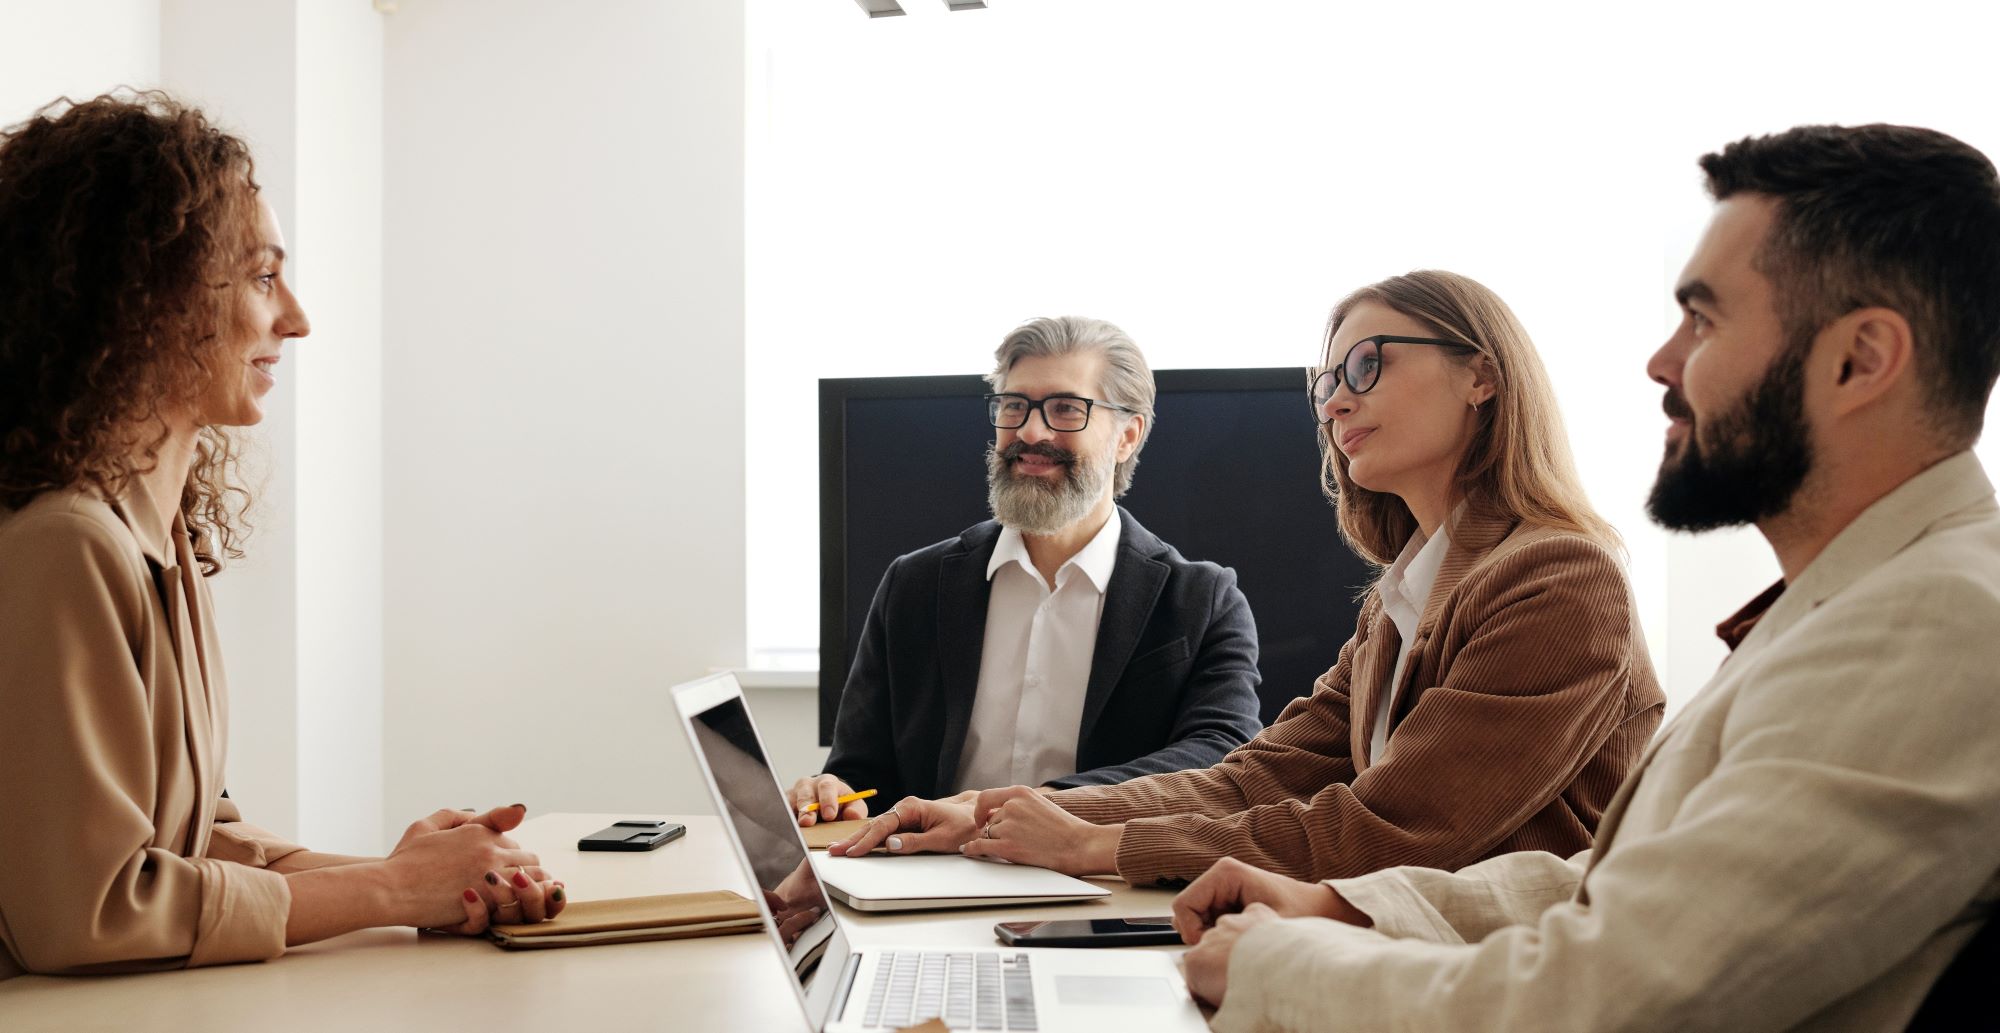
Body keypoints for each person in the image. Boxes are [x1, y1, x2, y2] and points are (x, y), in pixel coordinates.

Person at [1171, 124, 2000, 1033]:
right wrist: (1349, 909)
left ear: (1861, 359)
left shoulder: (1938, 620)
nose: (1662, 361)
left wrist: (1284, 967)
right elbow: (1622, 875)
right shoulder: (1862, 601)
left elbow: (1617, 993)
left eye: (1706, 318)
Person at [834, 270, 1666, 887]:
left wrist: (1097, 845)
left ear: (1482, 375)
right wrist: (994, 814)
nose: (1335, 403)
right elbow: (1257, 774)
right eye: (1328, 381)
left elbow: (1395, 827)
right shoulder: (1402, 598)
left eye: (1366, 366)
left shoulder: (1561, 579)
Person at [0, 92, 563, 980]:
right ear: (147, 300)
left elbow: (195, 843)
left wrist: (438, 877)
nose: (295, 317)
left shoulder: (158, 538)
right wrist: (391, 891)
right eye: (262, 278)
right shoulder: (66, 546)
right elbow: (91, 910)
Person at [790, 316, 1265, 824]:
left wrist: (1027, 808)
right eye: (1014, 405)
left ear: (1127, 435)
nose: (1029, 431)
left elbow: (1222, 755)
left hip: (1103, 889)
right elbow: (861, 774)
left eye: (1065, 409)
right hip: (929, 885)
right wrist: (832, 794)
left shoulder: (1203, 600)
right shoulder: (914, 584)